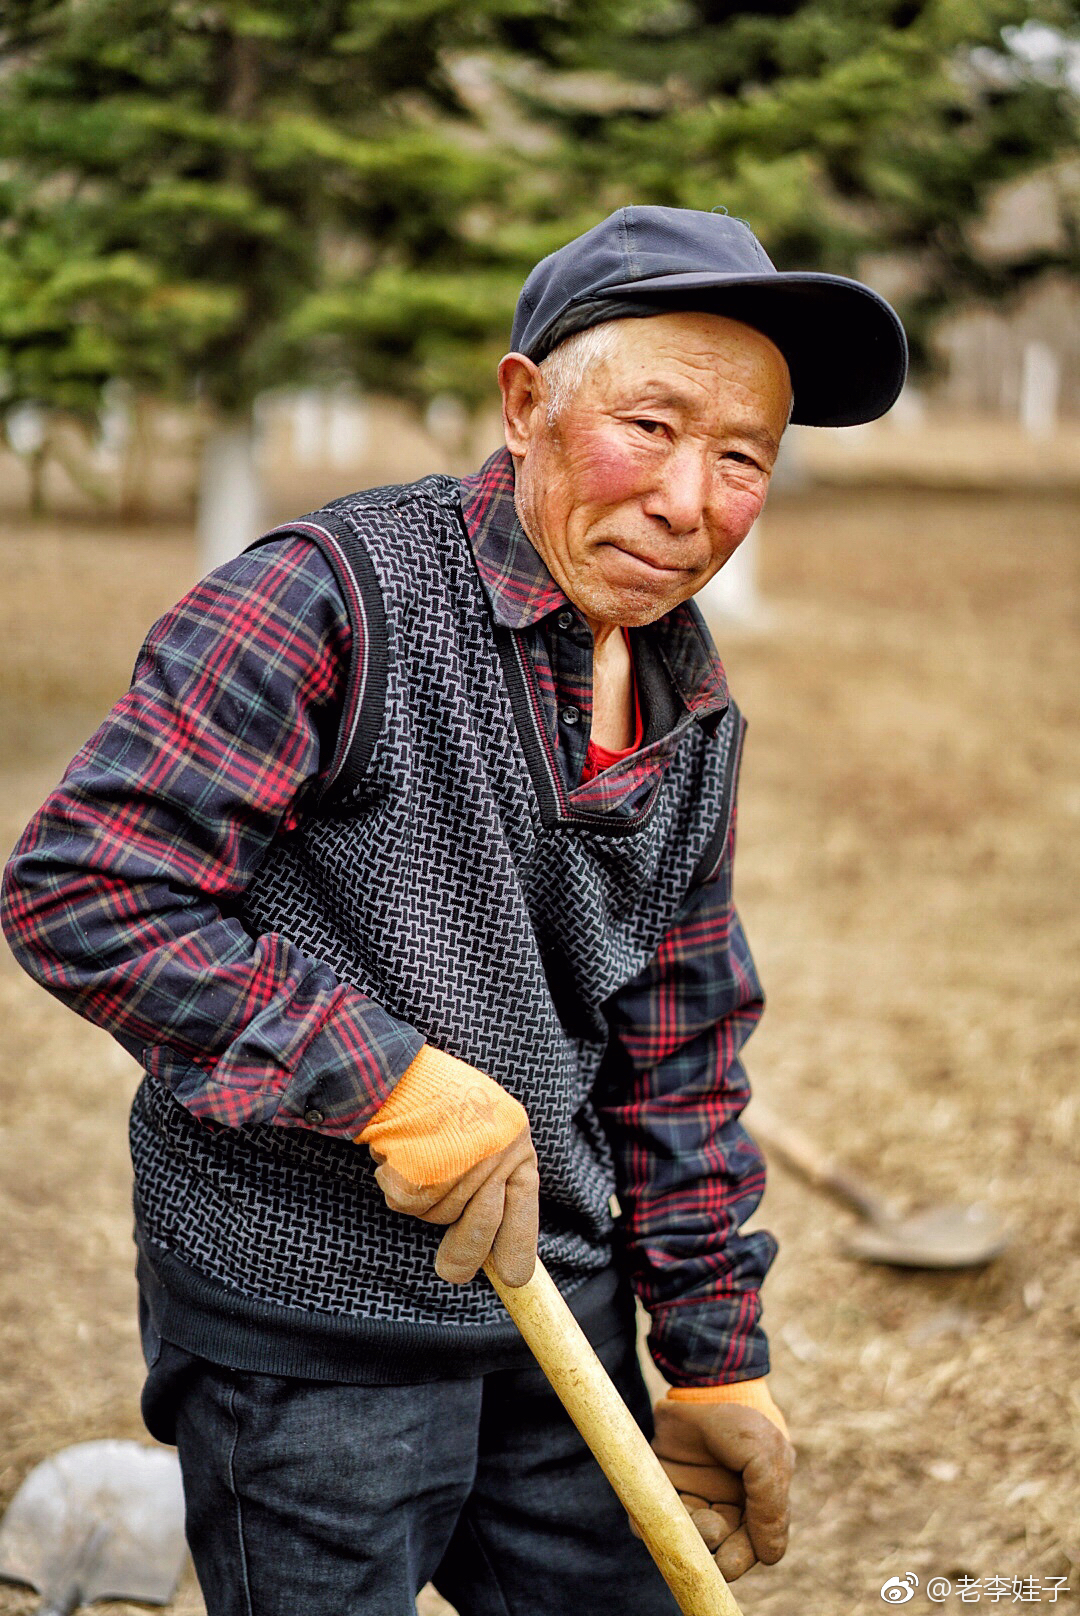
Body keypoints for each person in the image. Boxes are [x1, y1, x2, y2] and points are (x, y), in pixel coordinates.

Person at [1, 205, 906, 1616]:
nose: (689, 501)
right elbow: (89, 886)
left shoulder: (690, 698)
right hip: (309, 1336)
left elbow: (682, 1047)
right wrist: (388, 1082)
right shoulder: (331, 599)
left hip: (562, 1321)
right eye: (651, 428)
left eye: (744, 459)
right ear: (525, 401)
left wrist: (717, 1351)